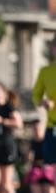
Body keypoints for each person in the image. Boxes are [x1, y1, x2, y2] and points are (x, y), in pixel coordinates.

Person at [22, 118, 55, 193]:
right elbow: (27, 159)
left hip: (48, 171)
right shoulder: (31, 143)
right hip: (35, 171)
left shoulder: (49, 140)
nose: (36, 129)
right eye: (34, 127)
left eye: (38, 127)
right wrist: (28, 157)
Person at [32, 34, 56, 166]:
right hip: (53, 126)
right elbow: (35, 96)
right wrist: (43, 102)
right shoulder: (45, 71)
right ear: (52, 49)